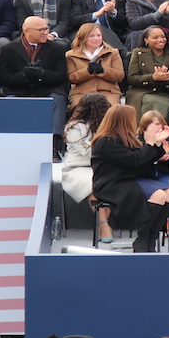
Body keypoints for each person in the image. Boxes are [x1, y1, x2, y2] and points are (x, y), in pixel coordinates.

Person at [91, 104, 169, 253]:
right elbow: (133, 160)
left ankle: (153, 235)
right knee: (158, 194)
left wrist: (157, 146)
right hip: (111, 184)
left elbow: (142, 160)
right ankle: (143, 237)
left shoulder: (127, 138)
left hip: (130, 179)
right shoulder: (105, 141)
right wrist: (151, 143)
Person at [0, 15, 71, 153]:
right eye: (41, 29)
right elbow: (4, 78)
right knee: (9, 101)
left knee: (58, 98)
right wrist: (24, 75)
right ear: (27, 31)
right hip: (19, 90)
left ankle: (54, 144)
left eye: (46, 28)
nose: (46, 32)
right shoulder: (8, 49)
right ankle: (11, 144)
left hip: (47, 88)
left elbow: (62, 76)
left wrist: (41, 74)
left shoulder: (57, 48)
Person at [60, 92, 112, 243]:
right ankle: (104, 225)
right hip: (77, 168)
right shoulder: (74, 128)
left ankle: (102, 225)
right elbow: (87, 152)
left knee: (110, 182)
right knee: (94, 184)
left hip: (101, 167)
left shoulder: (106, 126)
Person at [67, 22, 125, 109]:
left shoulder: (113, 52)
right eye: (92, 36)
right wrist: (87, 71)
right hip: (82, 92)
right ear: (83, 38)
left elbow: (119, 75)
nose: (96, 39)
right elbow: (71, 77)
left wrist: (102, 71)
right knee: (80, 109)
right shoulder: (71, 55)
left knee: (112, 110)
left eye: (99, 35)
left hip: (108, 92)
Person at [126, 25, 169, 120]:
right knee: (151, 102)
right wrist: (152, 78)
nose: (161, 40)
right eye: (155, 37)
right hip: (140, 92)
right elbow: (132, 79)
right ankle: (144, 131)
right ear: (146, 40)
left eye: (163, 36)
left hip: (164, 93)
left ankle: (155, 131)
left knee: (160, 104)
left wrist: (166, 79)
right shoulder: (138, 53)